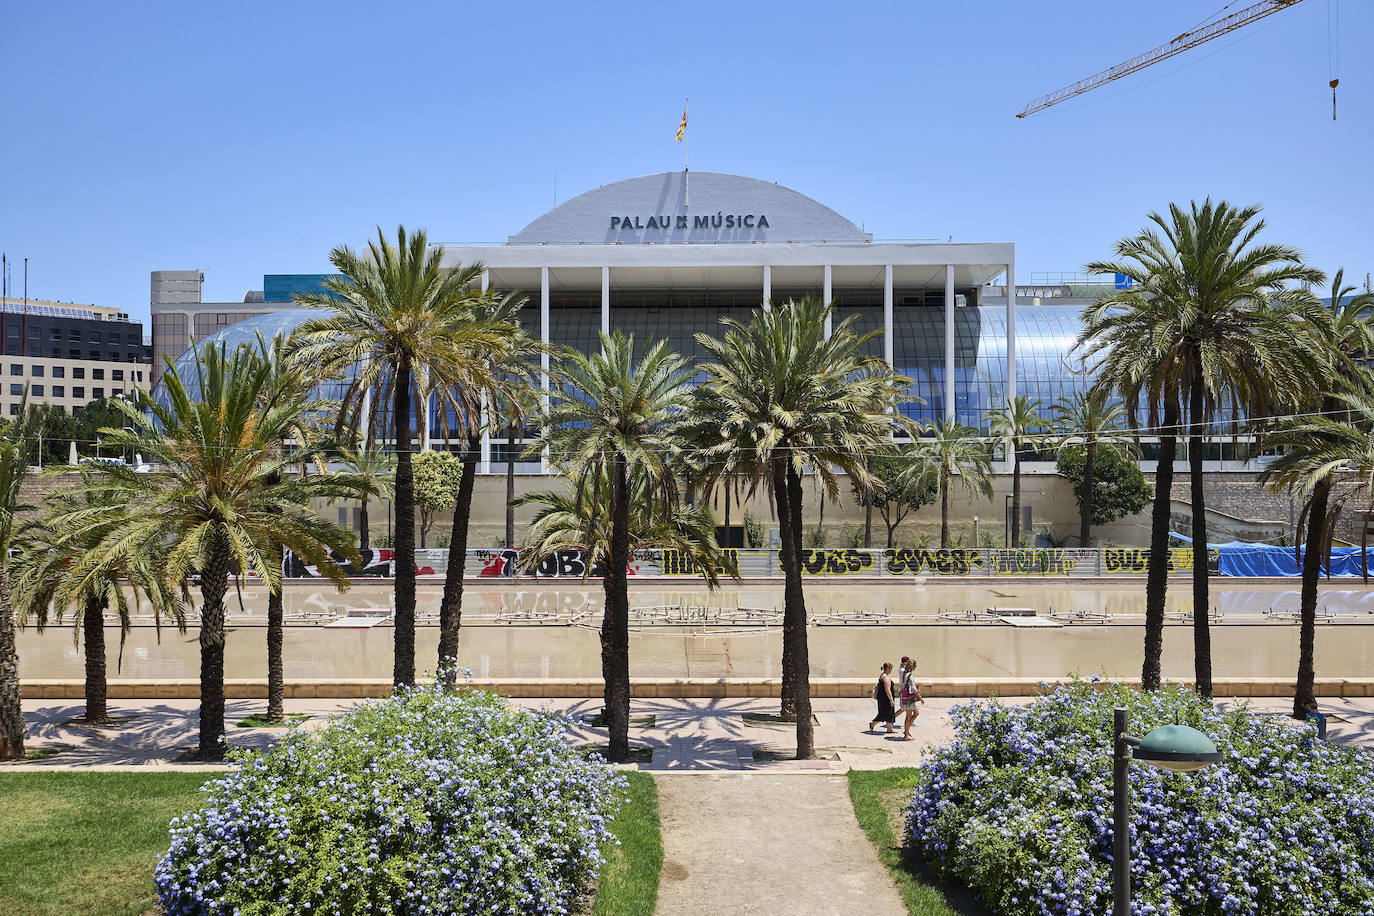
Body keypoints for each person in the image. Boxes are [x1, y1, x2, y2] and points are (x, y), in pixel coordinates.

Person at [898, 655, 925, 740]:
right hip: (908, 699)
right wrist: (920, 698)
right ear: (912, 666)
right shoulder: (910, 675)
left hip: (904, 697)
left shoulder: (905, 674)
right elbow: (913, 689)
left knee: (915, 713)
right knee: (908, 716)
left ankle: (906, 731)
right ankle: (906, 734)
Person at [868, 662, 897, 733]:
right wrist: (891, 700)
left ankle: (889, 729)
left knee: (888, 714)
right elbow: (888, 690)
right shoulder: (886, 678)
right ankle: (873, 724)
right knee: (885, 714)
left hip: (882, 698)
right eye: (890, 668)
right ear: (887, 668)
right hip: (886, 699)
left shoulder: (882, 675)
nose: (891, 670)